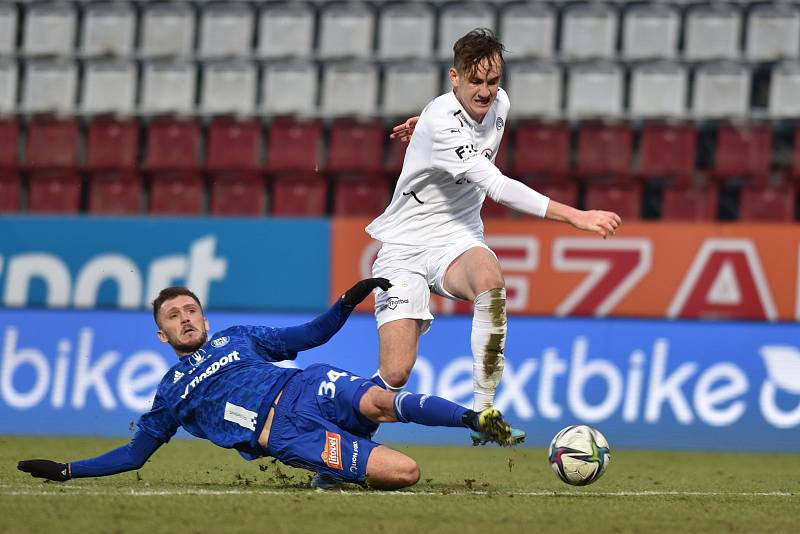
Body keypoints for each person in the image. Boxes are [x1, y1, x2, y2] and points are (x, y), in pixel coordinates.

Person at [367, 29, 622, 445]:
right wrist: (577, 216)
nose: (486, 92)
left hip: (457, 237)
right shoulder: (441, 121)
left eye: (493, 81)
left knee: (491, 280)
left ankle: (484, 410)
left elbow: (464, 132)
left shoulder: (498, 105)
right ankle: (342, 436)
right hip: (404, 247)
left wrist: (427, 128)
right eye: (475, 82)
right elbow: (497, 186)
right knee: (395, 374)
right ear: (455, 77)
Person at [17, 279, 516, 491]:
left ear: (205, 319)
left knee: (378, 398)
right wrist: (66, 470)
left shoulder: (240, 338)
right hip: (289, 434)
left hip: (307, 386)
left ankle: (474, 417)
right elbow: (133, 455)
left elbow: (310, 335)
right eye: (174, 316)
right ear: (162, 334)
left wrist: (346, 301)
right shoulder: (171, 393)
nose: (185, 319)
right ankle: (335, 468)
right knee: (405, 472)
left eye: (191, 310)